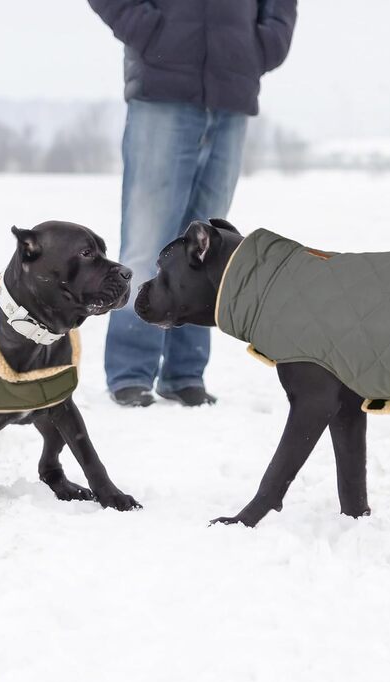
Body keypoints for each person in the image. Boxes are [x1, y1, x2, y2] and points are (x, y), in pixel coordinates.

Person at [88, 0, 297, 407]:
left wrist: (262, 44)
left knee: (210, 248)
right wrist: (153, 32)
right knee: (147, 240)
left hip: (232, 89)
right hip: (162, 87)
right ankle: (131, 371)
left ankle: (185, 373)